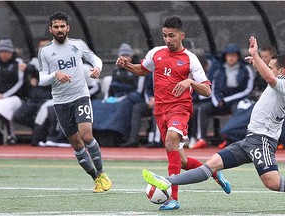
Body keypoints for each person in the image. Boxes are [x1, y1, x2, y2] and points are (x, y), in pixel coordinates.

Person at [142, 36, 285, 196]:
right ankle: (167, 181)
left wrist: (256, 56)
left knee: (273, 183)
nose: (268, 68)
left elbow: (270, 78)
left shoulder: (283, 83)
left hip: (263, 142)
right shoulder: (277, 83)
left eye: (271, 67)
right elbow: (270, 76)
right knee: (210, 166)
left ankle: (168, 181)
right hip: (249, 140)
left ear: (282, 71)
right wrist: (257, 61)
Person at [116, 16, 231, 210]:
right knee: (183, 161)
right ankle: (212, 171)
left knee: (171, 141)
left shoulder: (190, 59)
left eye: (171, 36)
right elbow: (142, 70)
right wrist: (127, 65)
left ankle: (173, 198)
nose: (168, 40)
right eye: (164, 36)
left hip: (180, 109)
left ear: (181, 35)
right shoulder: (156, 53)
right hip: (160, 112)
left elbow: (207, 90)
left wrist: (190, 82)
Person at [38, 11, 111, 193]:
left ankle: (102, 173)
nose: (60, 29)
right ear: (51, 29)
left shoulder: (78, 45)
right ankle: (95, 178)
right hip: (61, 102)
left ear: (68, 28)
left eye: (63, 26)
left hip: (80, 96)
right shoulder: (45, 51)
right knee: (77, 144)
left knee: (86, 135)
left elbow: (95, 59)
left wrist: (97, 68)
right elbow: (41, 79)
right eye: (56, 26)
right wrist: (55, 75)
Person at [190, 43, 254, 149]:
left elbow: (247, 90)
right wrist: (218, 101)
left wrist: (227, 100)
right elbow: (214, 88)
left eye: (233, 55)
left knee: (238, 109)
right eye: (229, 56)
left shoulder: (246, 70)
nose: (231, 58)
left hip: (237, 101)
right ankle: (201, 138)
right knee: (203, 108)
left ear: (237, 56)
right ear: (225, 57)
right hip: (220, 101)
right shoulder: (219, 70)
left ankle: (231, 139)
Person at [218, 45, 277, 149]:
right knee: (227, 130)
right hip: (251, 104)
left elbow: (271, 81)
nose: (263, 59)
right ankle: (249, 140)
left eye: (265, 56)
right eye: (261, 57)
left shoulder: (277, 73)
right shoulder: (258, 72)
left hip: (267, 108)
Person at [92, 43, 144, 146]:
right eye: (122, 56)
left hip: (131, 98)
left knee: (122, 107)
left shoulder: (137, 69)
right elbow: (111, 89)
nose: (124, 58)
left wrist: (124, 98)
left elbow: (139, 91)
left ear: (131, 56)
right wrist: (108, 99)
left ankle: (118, 135)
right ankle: (98, 134)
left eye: (127, 55)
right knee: (96, 104)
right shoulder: (116, 71)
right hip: (116, 98)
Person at [13, 38, 52, 129]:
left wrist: (36, 76)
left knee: (42, 117)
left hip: (48, 99)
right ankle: (39, 128)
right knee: (18, 115)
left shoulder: (57, 61)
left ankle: (41, 131)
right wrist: (28, 70)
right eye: (41, 46)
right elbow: (29, 68)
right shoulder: (35, 60)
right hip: (33, 99)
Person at [0, 38, 26, 144]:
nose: (4, 54)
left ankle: (10, 135)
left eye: (6, 52)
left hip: (15, 97)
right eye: (1, 51)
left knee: (4, 106)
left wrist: (4, 95)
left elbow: (19, 83)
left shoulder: (17, 63)